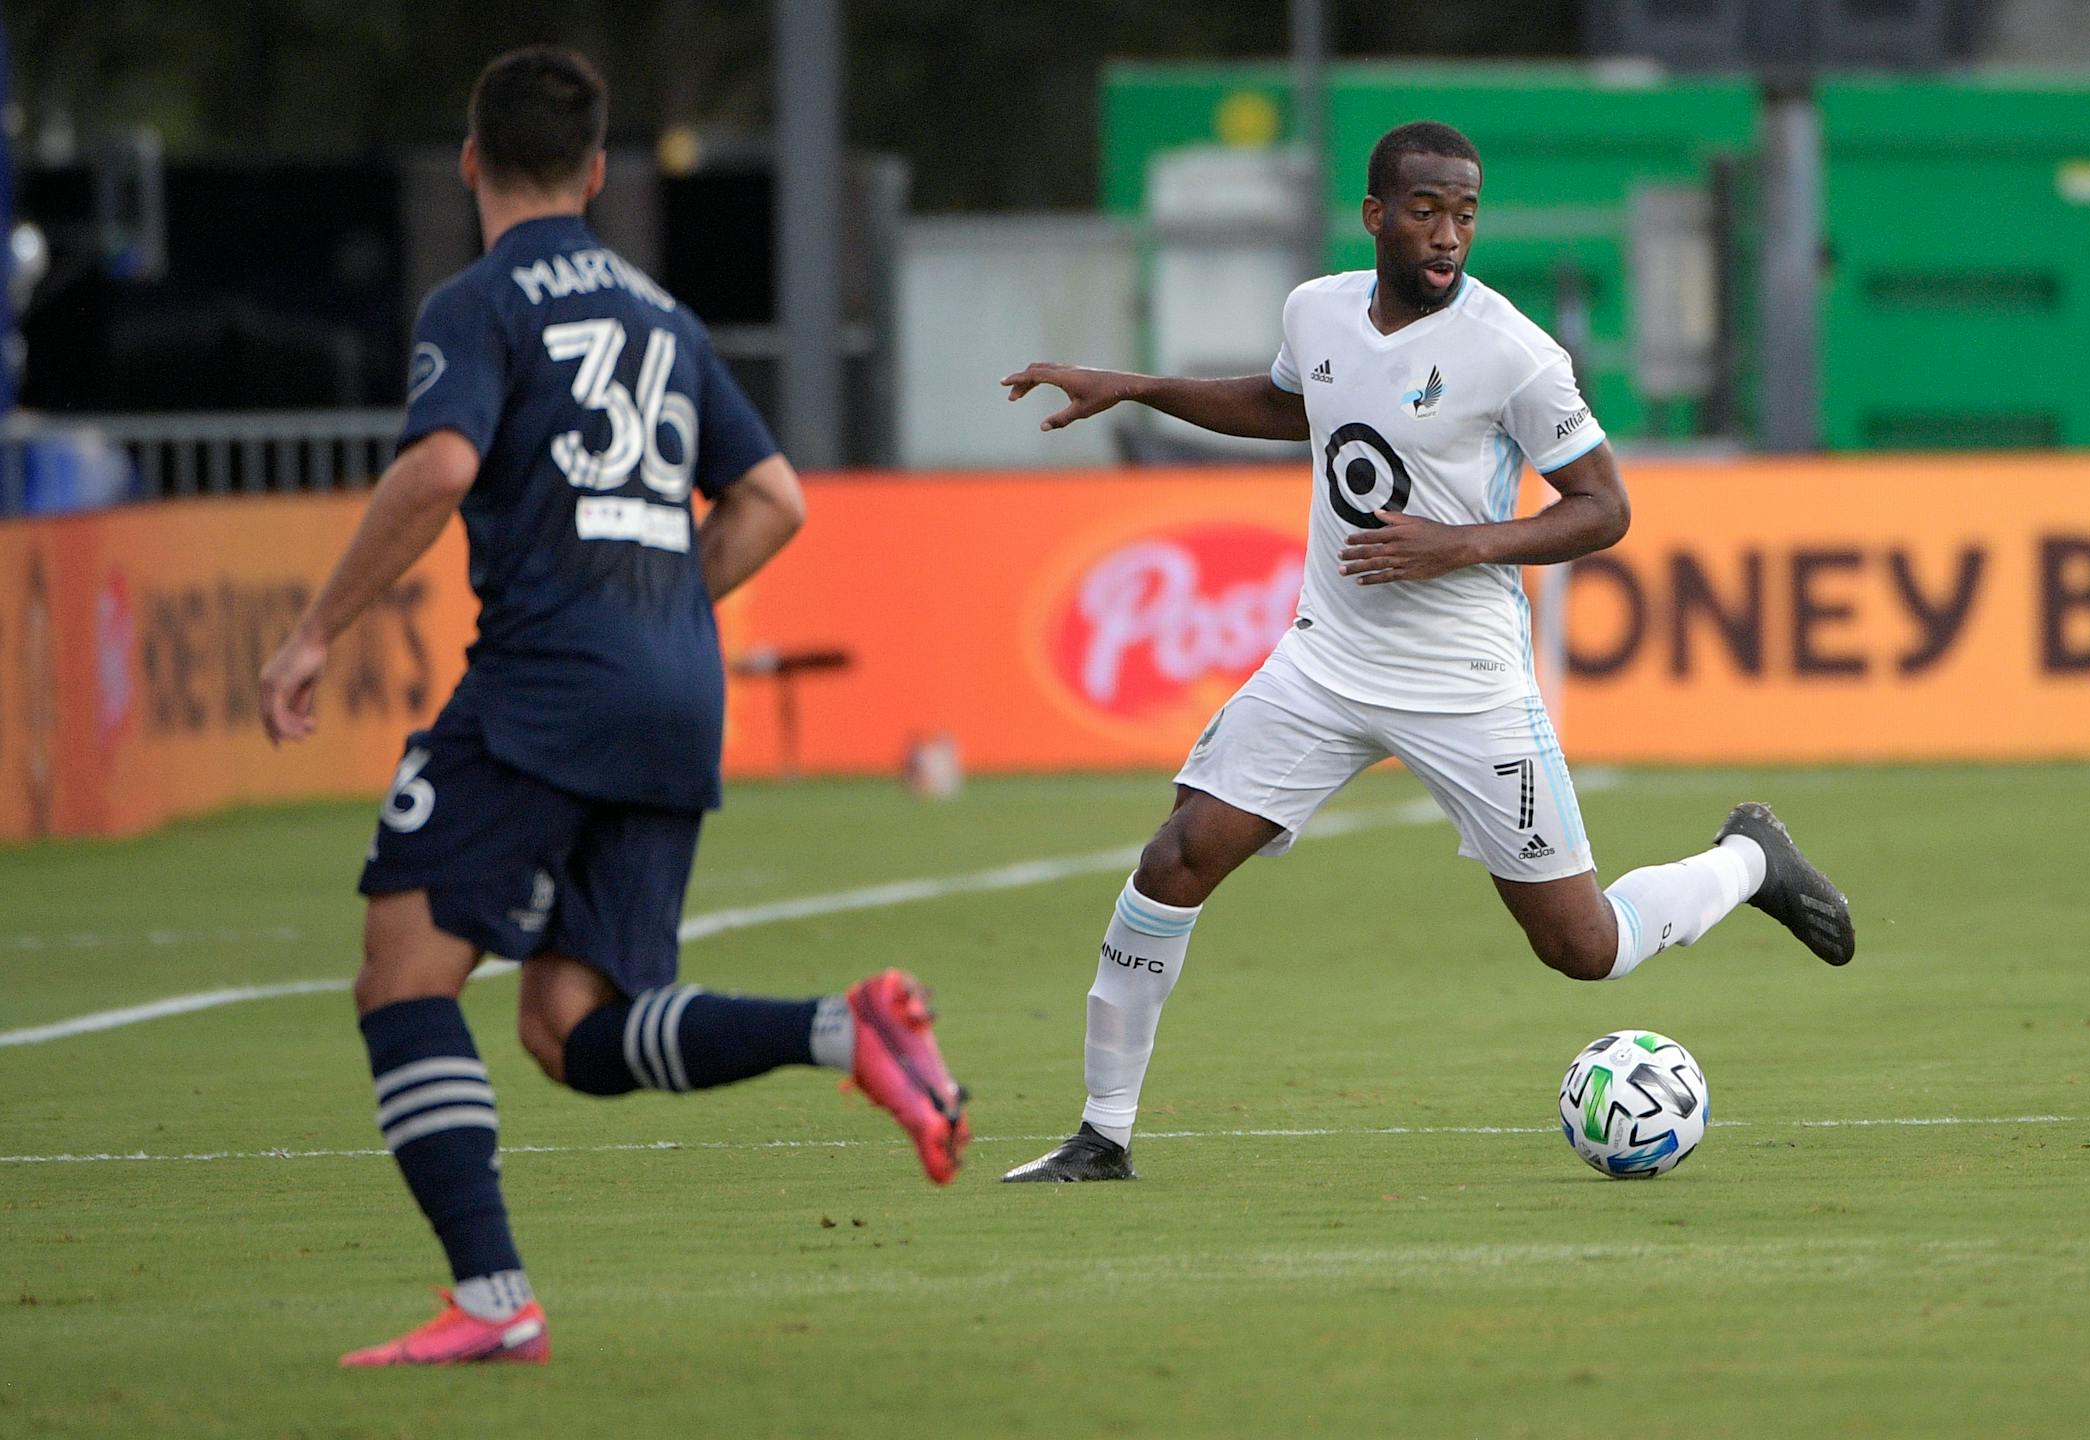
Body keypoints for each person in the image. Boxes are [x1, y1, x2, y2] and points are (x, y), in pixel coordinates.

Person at [258, 46, 968, 1364]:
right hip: (673, 693)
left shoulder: (477, 302)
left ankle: (490, 1299)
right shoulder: (664, 316)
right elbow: (776, 501)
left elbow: (439, 464)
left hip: (545, 686)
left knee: (402, 976)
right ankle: (842, 1028)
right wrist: (664, 612)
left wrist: (314, 633)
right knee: (568, 1027)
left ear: (473, 160)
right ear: (594, 174)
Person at [998, 120, 1853, 1184]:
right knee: (1174, 861)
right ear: (1375, 216)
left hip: (1465, 686)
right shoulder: (1316, 309)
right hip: (1325, 662)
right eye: (1426, 210)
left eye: (1465, 213)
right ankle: (1102, 1134)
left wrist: (1463, 544)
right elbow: (1287, 404)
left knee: (1583, 949)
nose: (1449, 234)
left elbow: (1604, 509)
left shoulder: (1514, 354)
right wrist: (1136, 386)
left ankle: (1747, 860)